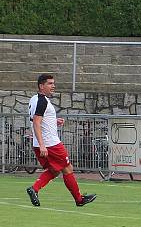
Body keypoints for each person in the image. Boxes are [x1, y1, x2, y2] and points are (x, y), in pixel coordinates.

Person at [25, 74, 96, 207]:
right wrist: (42, 146)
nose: (53, 86)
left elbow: (39, 119)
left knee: (55, 170)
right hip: (50, 144)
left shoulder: (35, 99)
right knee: (68, 168)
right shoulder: (42, 101)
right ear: (41, 86)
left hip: (42, 143)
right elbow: (36, 123)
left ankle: (34, 189)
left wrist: (53, 121)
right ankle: (79, 200)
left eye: (53, 83)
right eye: (50, 83)